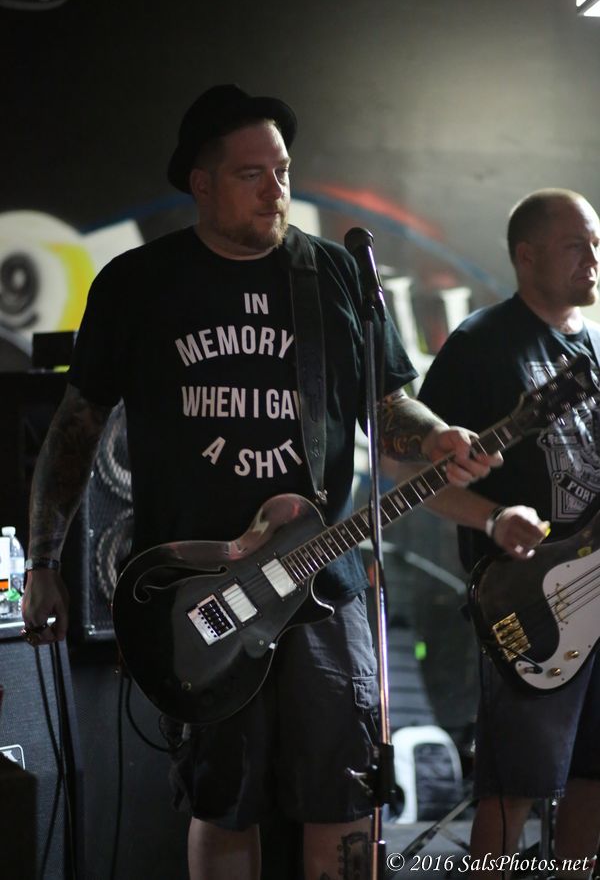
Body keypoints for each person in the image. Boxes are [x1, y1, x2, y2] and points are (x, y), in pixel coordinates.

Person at [21, 84, 499, 880]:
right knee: (223, 802)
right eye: (251, 174)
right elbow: (75, 429)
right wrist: (43, 563)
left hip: (323, 585)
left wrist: (434, 435)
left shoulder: (333, 276)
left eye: (282, 170)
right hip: (201, 595)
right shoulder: (140, 283)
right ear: (201, 184)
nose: (276, 189)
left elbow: (386, 407)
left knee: (345, 797)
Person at [418, 188, 600, 877]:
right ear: (526, 256)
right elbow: (416, 477)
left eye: (597, 244)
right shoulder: (481, 344)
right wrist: (492, 518)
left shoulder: (598, 343)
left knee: (593, 779)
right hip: (528, 602)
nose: (593, 259)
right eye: (575, 245)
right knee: (513, 789)